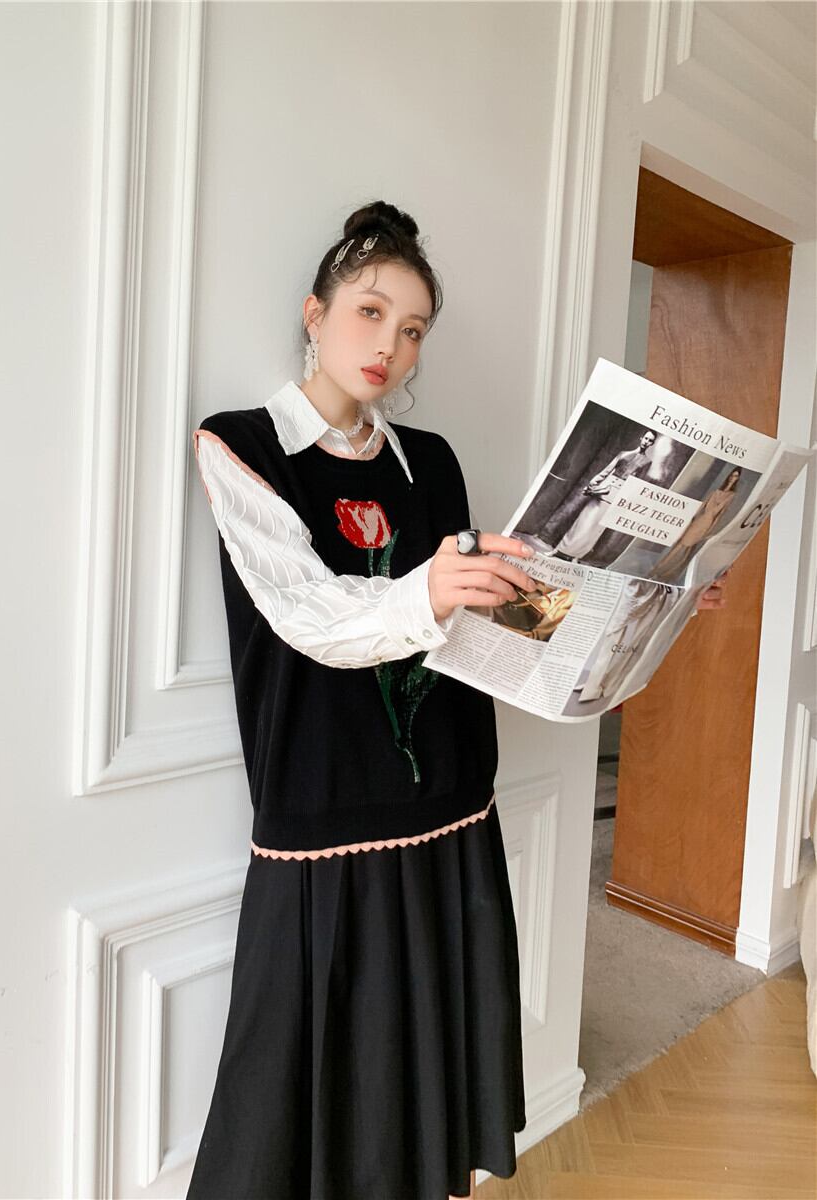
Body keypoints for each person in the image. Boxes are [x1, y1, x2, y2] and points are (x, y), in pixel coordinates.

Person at [185, 201, 730, 1200]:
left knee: (422, 1096)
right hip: (324, 822)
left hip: (450, 809)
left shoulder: (429, 461)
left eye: (413, 329)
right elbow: (306, 613)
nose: (390, 345)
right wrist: (429, 589)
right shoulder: (240, 444)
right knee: (291, 1110)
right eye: (370, 312)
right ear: (315, 312)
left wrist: (656, 595)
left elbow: (495, 615)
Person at [550, 429, 657, 562]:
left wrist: (626, 499)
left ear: (652, 444)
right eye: (646, 438)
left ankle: (576, 557)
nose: (646, 442)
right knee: (582, 522)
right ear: (641, 438)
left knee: (596, 530)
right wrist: (593, 483)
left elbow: (637, 483)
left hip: (618, 496)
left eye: (650, 441)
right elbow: (607, 470)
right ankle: (558, 550)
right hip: (603, 490)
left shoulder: (647, 462)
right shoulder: (624, 454)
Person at [650, 466, 742, 582]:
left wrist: (710, 530)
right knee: (680, 545)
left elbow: (720, 514)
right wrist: (692, 518)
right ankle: (657, 569)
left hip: (707, 523)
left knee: (688, 551)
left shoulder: (731, 495)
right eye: (732, 475)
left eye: (736, 476)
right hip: (699, 520)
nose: (733, 478)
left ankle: (669, 573)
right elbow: (702, 505)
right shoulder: (716, 491)